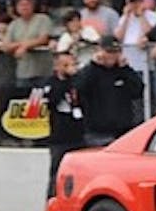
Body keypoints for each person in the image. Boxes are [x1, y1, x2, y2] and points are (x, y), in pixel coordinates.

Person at [76, 36, 145, 147]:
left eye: (116, 52)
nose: (112, 56)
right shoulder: (89, 72)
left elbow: (137, 91)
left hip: (123, 130)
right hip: (98, 131)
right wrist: (93, 65)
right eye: (108, 52)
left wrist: (125, 69)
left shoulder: (123, 71)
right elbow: (79, 88)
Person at [44, 51, 85, 198]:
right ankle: (51, 204)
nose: (70, 68)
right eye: (65, 65)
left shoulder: (79, 81)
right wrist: (64, 80)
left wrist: (74, 77)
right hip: (59, 138)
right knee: (57, 174)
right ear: (57, 66)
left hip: (79, 135)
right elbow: (52, 100)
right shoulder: (51, 83)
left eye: (72, 64)